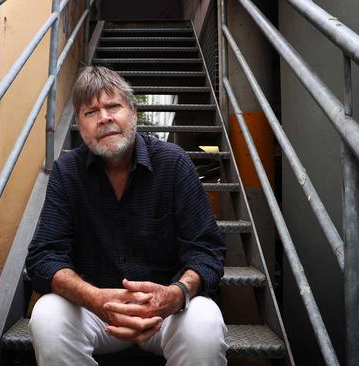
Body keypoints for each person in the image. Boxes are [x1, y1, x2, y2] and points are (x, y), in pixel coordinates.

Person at [26, 66, 228, 365]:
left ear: (132, 111)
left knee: (204, 322)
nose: (104, 117)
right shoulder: (67, 171)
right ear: (80, 126)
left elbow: (207, 251)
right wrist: (95, 298)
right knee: (47, 316)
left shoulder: (174, 164)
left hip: (166, 315)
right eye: (90, 112)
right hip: (95, 313)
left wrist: (176, 294)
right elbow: (44, 256)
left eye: (113, 106)